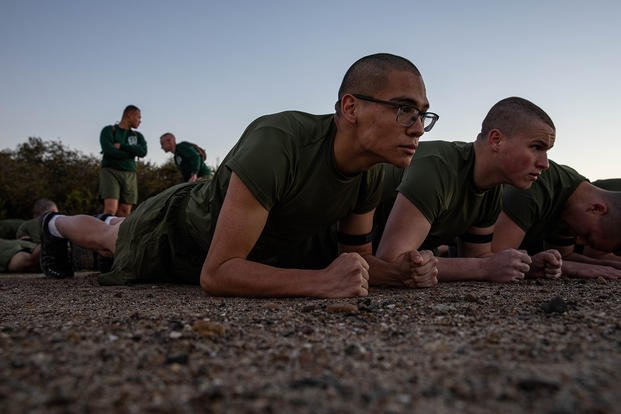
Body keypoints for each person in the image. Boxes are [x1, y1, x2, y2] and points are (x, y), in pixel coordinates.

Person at [39, 53, 439, 296]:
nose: (418, 127)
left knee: (114, 226)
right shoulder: (278, 142)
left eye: (423, 113)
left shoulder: (372, 172)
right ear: (351, 108)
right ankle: (53, 224)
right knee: (111, 238)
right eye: (404, 108)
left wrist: (401, 271)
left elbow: (355, 259)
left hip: (253, 252)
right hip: (177, 230)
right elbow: (218, 273)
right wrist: (320, 283)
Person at [375, 97, 562, 283]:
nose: (544, 164)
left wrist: (525, 266)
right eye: (536, 147)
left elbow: (477, 255)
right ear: (496, 140)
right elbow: (393, 262)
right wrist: (485, 268)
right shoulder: (438, 167)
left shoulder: (491, 189)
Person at [493, 163, 621, 279]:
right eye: (587, 236)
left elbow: (564, 255)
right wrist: (571, 268)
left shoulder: (572, 208)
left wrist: (606, 264)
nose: (578, 242)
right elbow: (495, 257)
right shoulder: (537, 184)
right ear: (596, 208)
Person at [99, 105, 147, 217]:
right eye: (138, 117)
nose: (140, 121)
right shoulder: (109, 130)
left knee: (125, 211)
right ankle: (104, 233)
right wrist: (131, 154)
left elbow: (143, 151)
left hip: (130, 173)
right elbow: (108, 150)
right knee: (111, 209)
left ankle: (119, 234)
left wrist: (122, 146)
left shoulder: (137, 136)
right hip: (111, 171)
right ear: (130, 115)